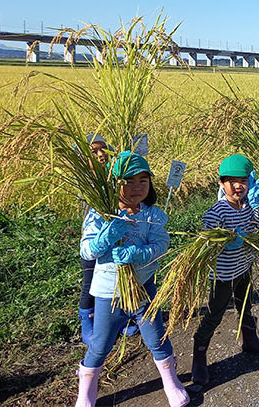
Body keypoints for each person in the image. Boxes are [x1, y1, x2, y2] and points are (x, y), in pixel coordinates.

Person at [77, 151, 189, 407]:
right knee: (101, 344)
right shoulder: (100, 215)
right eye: (128, 181)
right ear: (114, 184)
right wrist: (104, 238)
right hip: (108, 292)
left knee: (157, 337)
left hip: (144, 288)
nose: (136, 187)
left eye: (143, 180)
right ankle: (85, 390)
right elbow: (86, 251)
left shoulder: (153, 215)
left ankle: (170, 381)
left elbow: (162, 244)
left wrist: (138, 253)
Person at [191, 154, 259, 387]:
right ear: (221, 183)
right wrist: (225, 241)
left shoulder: (248, 205)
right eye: (232, 181)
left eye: (243, 180)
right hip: (223, 275)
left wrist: (258, 206)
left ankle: (250, 339)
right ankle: (199, 354)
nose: (238, 186)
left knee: (246, 304)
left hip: (244, 267)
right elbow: (206, 243)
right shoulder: (217, 211)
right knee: (215, 314)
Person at [78, 134, 112, 347]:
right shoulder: (85, 182)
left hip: (116, 236)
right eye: (94, 151)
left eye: (104, 150)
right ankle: (85, 318)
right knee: (90, 280)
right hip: (93, 239)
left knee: (114, 276)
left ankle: (118, 317)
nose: (101, 155)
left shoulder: (114, 176)